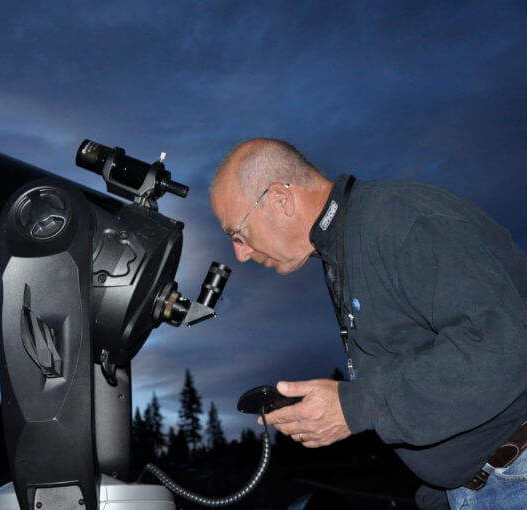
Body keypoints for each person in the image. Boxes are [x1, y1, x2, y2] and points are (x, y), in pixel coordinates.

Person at [209, 138, 527, 510]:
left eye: (238, 233)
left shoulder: (401, 220)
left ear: (281, 198)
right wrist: (441, 489)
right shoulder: (341, 249)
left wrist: (355, 407)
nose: (240, 253)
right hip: (473, 488)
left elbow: (500, 346)